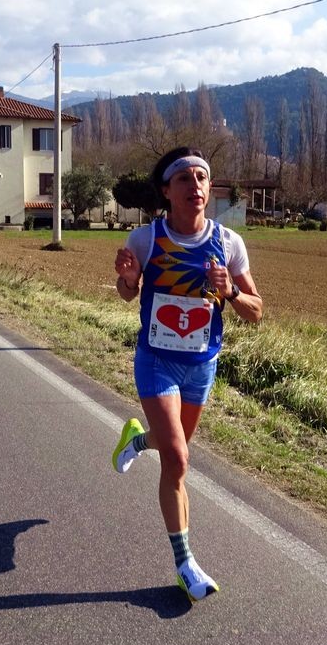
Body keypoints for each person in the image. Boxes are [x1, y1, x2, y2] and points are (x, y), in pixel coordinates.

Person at [112, 147, 263, 603]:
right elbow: (127, 294)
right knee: (177, 459)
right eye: (184, 178)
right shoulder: (146, 238)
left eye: (202, 177)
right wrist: (128, 278)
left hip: (202, 365)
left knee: (169, 444)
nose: (195, 185)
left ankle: (137, 440)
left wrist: (231, 291)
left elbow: (256, 312)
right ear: (166, 190)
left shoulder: (229, 243)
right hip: (156, 361)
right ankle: (185, 562)